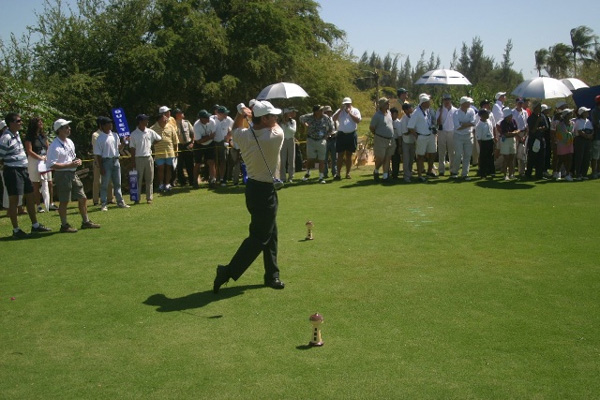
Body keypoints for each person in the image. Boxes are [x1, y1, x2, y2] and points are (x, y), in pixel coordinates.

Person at [213, 100, 285, 293]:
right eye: (272, 115)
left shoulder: (244, 135)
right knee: (259, 237)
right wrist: (252, 114)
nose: (276, 118)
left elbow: (235, 128)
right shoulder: (275, 135)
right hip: (264, 191)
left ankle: (272, 275)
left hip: (253, 188)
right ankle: (227, 271)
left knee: (271, 233)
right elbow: (275, 126)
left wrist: (241, 113)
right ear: (264, 119)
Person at [0, 113, 51, 238]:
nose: (21, 123)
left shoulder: (16, 134)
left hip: (23, 169)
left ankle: (35, 225)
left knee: (30, 195)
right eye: (18, 121)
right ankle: (16, 230)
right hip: (12, 170)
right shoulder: (5, 137)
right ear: (11, 123)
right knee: (14, 199)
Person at [46, 119, 100, 232]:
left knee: (83, 197)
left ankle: (86, 221)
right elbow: (51, 164)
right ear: (59, 130)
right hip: (62, 174)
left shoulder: (69, 142)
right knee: (64, 200)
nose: (69, 129)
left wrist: (77, 161)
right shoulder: (54, 146)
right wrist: (69, 165)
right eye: (66, 127)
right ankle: (64, 225)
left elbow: (72, 157)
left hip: (72, 173)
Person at [93, 116, 130, 211]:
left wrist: (124, 142)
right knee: (105, 184)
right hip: (106, 161)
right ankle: (103, 204)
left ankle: (120, 202)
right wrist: (101, 167)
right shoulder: (100, 138)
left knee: (117, 183)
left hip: (115, 160)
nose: (111, 125)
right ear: (103, 126)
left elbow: (119, 148)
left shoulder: (115, 135)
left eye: (111, 123)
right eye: (108, 123)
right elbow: (98, 155)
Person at [24, 117, 57, 212]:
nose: (41, 123)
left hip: (45, 160)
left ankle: (50, 203)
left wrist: (47, 156)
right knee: (36, 183)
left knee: (49, 182)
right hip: (34, 161)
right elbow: (29, 151)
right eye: (39, 122)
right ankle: (38, 205)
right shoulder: (29, 137)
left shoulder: (43, 136)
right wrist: (39, 157)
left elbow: (48, 147)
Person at [130, 114, 162, 203]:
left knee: (149, 179)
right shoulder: (134, 134)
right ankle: (137, 199)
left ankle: (149, 198)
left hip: (148, 157)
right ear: (140, 122)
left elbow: (159, 138)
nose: (147, 121)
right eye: (145, 120)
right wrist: (133, 161)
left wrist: (152, 143)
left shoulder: (150, 132)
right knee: (138, 179)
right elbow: (132, 148)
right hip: (139, 158)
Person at [300, 105, 334, 183]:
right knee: (310, 159)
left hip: (321, 140)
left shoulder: (326, 118)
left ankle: (321, 177)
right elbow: (301, 118)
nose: (322, 111)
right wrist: (304, 124)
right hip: (311, 139)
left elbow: (331, 128)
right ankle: (308, 173)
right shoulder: (309, 117)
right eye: (320, 110)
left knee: (322, 159)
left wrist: (326, 136)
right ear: (316, 111)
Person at [408, 93, 436, 182]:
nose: (429, 103)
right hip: (421, 136)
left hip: (430, 135)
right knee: (420, 156)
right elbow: (410, 127)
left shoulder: (427, 111)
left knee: (433, 153)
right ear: (423, 103)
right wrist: (417, 136)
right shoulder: (416, 112)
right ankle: (420, 175)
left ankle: (429, 171)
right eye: (428, 102)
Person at [332, 97, 362, 180]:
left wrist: (350, 113)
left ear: (351, 104)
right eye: (345, 104)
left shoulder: (355, 110)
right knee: (340, 155)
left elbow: (358, 120)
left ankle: (348, 173)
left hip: (351, 134)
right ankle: (338, 174)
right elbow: (334, 119)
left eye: (348, 104)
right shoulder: (340, 111)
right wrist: (340, 110)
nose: (347, 105)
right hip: (341, 135)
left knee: (349, 154)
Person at [152, 109, 179, 192]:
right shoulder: (152, 128)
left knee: (169, 168)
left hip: (170, 152)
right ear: (159, 120)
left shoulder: (170, 127)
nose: (166, 120)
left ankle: (167, 184)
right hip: (159, 153)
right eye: (164, 119)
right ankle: (161, 184)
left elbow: (175, 141)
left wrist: (176, 152)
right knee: (160, 169)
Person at [370, 97, 395, 182]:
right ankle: (376, 170)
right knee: (381, 157)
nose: (388, 104)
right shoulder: (377, 115)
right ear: (382, 105)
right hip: (380, 139)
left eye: (388, 103)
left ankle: (385, 176)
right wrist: (377, 134)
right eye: (386, 103)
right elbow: (372, 127)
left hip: (390, 139)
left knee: (387, 157)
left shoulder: (389, 113)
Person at [450, 96, 476, 180]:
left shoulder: (471, 111)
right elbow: (457, 127)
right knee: (458, 154)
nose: (470, 104)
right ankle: (454, 172)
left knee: (467, 155)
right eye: (468, 102)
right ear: (463, 103)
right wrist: (467, 124)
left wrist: (463, 124)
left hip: (469, 135)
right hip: (458, 136)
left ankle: (465, 173)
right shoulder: (456, 113)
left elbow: (473, 122)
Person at [91, 117, 113, 205]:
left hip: (108, 159)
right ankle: (96, 200)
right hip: (98, 159)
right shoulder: (95, 135)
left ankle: (110, 198)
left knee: (109, 180)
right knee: (97, 181)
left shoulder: (110, 134)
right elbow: (97, 149)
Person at [193, 109, 217, 187]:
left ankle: (212, 180)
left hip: (210, 144)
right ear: (201, 119)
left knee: (211, 162)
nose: (208, 119)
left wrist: (207, 138)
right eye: (206, 118)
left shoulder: (212, 122)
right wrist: (209, 137)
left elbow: (213, 135)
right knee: (198, 163)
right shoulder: (196, 126)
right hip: (199, 145)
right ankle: (195, 181)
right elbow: (198, 141)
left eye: (208, 117)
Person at [525, 102, 549, 180]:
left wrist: (540, 128)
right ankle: (528, 174)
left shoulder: (542, 116)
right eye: (538, 107)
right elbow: (532, 130)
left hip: (541, 138)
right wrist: (538, 122)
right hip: (533, 139)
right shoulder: (530, 118)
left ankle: (539, 174)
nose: (540, 109)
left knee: (541, 158)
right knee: (532, 157)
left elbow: (546, 127)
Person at [435, 93, 457, 176]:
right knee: (442, 151)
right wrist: (441, 112)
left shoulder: (455, 110)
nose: (447, 101)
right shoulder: (439, 109)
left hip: (452, 131)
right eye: (445, 100)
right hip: (442, 131)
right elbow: (437, 122)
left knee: (452, 152)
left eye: (448, 100)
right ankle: (441, 170)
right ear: (443, 101)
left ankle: (452, 169)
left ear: (450, 100)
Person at [174, 109, 195, 187]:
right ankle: (182, 182)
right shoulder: (173, 124)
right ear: (176, 115)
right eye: (180, 113)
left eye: (182, 112)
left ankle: (192, 181)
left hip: (188, 144)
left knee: (190, 164)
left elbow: (192, 133)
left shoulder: (187, 122)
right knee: (179, 165)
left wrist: (192, 143)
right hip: (179, 145)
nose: (182, 114)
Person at [213, 106, 233, 186]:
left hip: (223, 143)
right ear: (219, 114)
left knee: (223, 161)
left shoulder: (228, 120)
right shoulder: (212, 119)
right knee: (214, 162)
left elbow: (234, 128)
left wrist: (228, 136)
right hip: (213, 143)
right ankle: (214, 179)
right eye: (225, 113)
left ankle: (222, 179)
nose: (226, 115)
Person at [572, 106, 593, 180]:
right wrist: (587, 136)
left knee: (586, 157)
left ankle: (584, 174)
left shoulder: (588, 121)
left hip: (587, 140)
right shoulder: (578, 121)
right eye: (586, 112)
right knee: (579, 157)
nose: (588, 113)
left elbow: (592, 130)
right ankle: (578, 174)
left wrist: (590, 136)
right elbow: (580, 131)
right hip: (580, 140)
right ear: (582, 113)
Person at [499, 108, 519, 180]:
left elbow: (517, 130)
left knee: (512, 158)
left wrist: (513, 133)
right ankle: (505, 175)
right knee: (506, 158)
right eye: (510, 115)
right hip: (505, 141)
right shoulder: (503, 123)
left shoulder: (513, 121)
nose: (511, 116)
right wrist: (514, 133)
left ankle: (511, 174)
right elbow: (506, 134)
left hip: (512, 140)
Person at [555, 109, 575, 181]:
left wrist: (570, 137)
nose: (571, 115)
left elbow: (573, 132)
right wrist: (568, 136)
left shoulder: (572, 123)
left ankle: (567, 174)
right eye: (570, 113)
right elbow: (561, 134)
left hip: (569, 143)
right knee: (561, 158)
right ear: (566, 115)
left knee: (569, 158)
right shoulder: (560, 124)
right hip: (562, 143)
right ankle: (557, 173)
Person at [475, 109, 496, 178]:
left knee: (491, 157)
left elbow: (491, 131)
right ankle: (483, 173)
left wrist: (493, 140)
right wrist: (481, 146)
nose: (488, 115)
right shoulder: (479, 125)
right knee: (483, 158)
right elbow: (478, 138)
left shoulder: (489, 121)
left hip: (490, 140)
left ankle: (491, 171)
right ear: (482, 115)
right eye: (486, 113)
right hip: (484, 142)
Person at [512, 98, 529, 176]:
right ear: (516, 103)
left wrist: (525, 135)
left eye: (521, 103)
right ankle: (512, 171)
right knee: (513, 153)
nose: (520, 104)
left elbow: (527, 125)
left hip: (523, 133)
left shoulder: (525, 112)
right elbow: (512, 126)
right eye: (519, 103)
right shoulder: (512, 112)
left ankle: (521, 171)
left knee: (522, 153)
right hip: (515, 134)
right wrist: (517, 136)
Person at [280, 107, 297, 182]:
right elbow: (282, 132)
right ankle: (283, 177)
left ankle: (291, 177)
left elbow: (293, 131)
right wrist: (284, 124)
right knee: (282, 160)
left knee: (291, 159)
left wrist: (287, 124)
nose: (290, 114)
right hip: (283, 141)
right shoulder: (280, 123)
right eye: (288, 113)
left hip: (290, 140)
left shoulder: (293, 122)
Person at [400, 103, 416, 183]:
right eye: (409, 108)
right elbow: (405, 132)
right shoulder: (404, 119)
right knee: (406, 159)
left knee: (411, 159)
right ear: (406, 110)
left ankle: (409, 173)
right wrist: (412, 131)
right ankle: (406, 176)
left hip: (412, 141)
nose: (411, 109)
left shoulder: (412, 117)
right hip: (406, 141)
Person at [322, 105, 337, 179]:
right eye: (327, 112)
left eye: (329, 112)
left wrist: (334, 133)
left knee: (334, 158)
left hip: (333, 139)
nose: (328, 113)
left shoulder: (334, 120)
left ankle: (334, 172)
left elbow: (337, 129)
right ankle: (325, 173)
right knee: (325, 158)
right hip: (325, 140)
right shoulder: (322, 120)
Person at [590, 95, 600, 179]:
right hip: (597, 136)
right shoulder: (595, 111)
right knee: (595, 156)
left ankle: (599, 171)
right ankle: (594, 172)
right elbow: (597, 124)